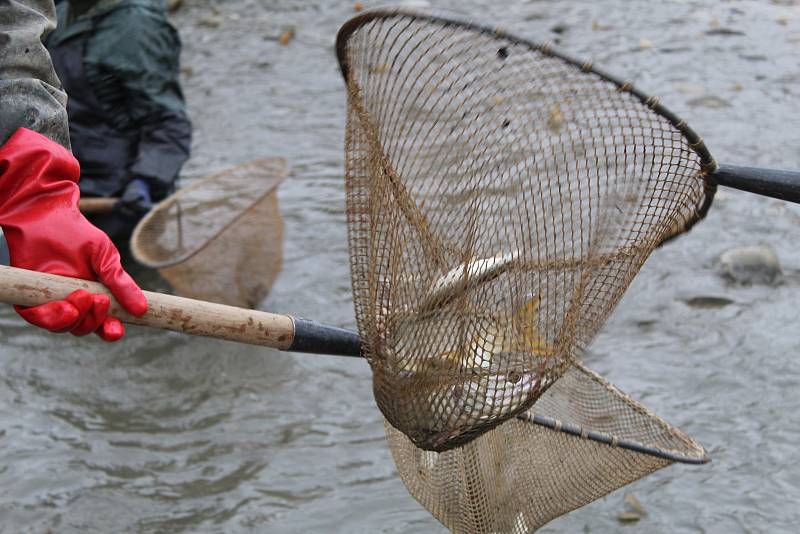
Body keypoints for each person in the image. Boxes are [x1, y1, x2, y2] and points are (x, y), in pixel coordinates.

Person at [0, 0, 148, 341]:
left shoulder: (137, 24)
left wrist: (37, 196)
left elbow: (9, 39)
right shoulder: (68, 16)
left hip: (100, 180)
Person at [46, 0, 192, 243]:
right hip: (67, 177)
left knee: (118, 272)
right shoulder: (59, 13)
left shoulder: (136, 27)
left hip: (119, 197)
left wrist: (146, 180)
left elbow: (168, 122)